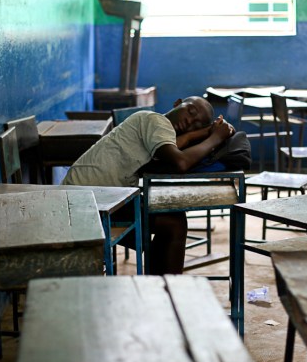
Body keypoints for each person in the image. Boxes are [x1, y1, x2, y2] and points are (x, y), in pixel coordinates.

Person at [62, 96, 234, 275]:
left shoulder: (155, 126)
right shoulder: (155, 120)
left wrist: (200, 133)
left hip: (94, 194)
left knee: (170, 217)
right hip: (89, 199)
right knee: (174, 222)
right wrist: (215, 137)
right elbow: (181, 162)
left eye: (196, 124)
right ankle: (166, 287)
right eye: (190, 112)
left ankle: (159, 284)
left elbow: (175, 145)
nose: (189, 121)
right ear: (177, 102)